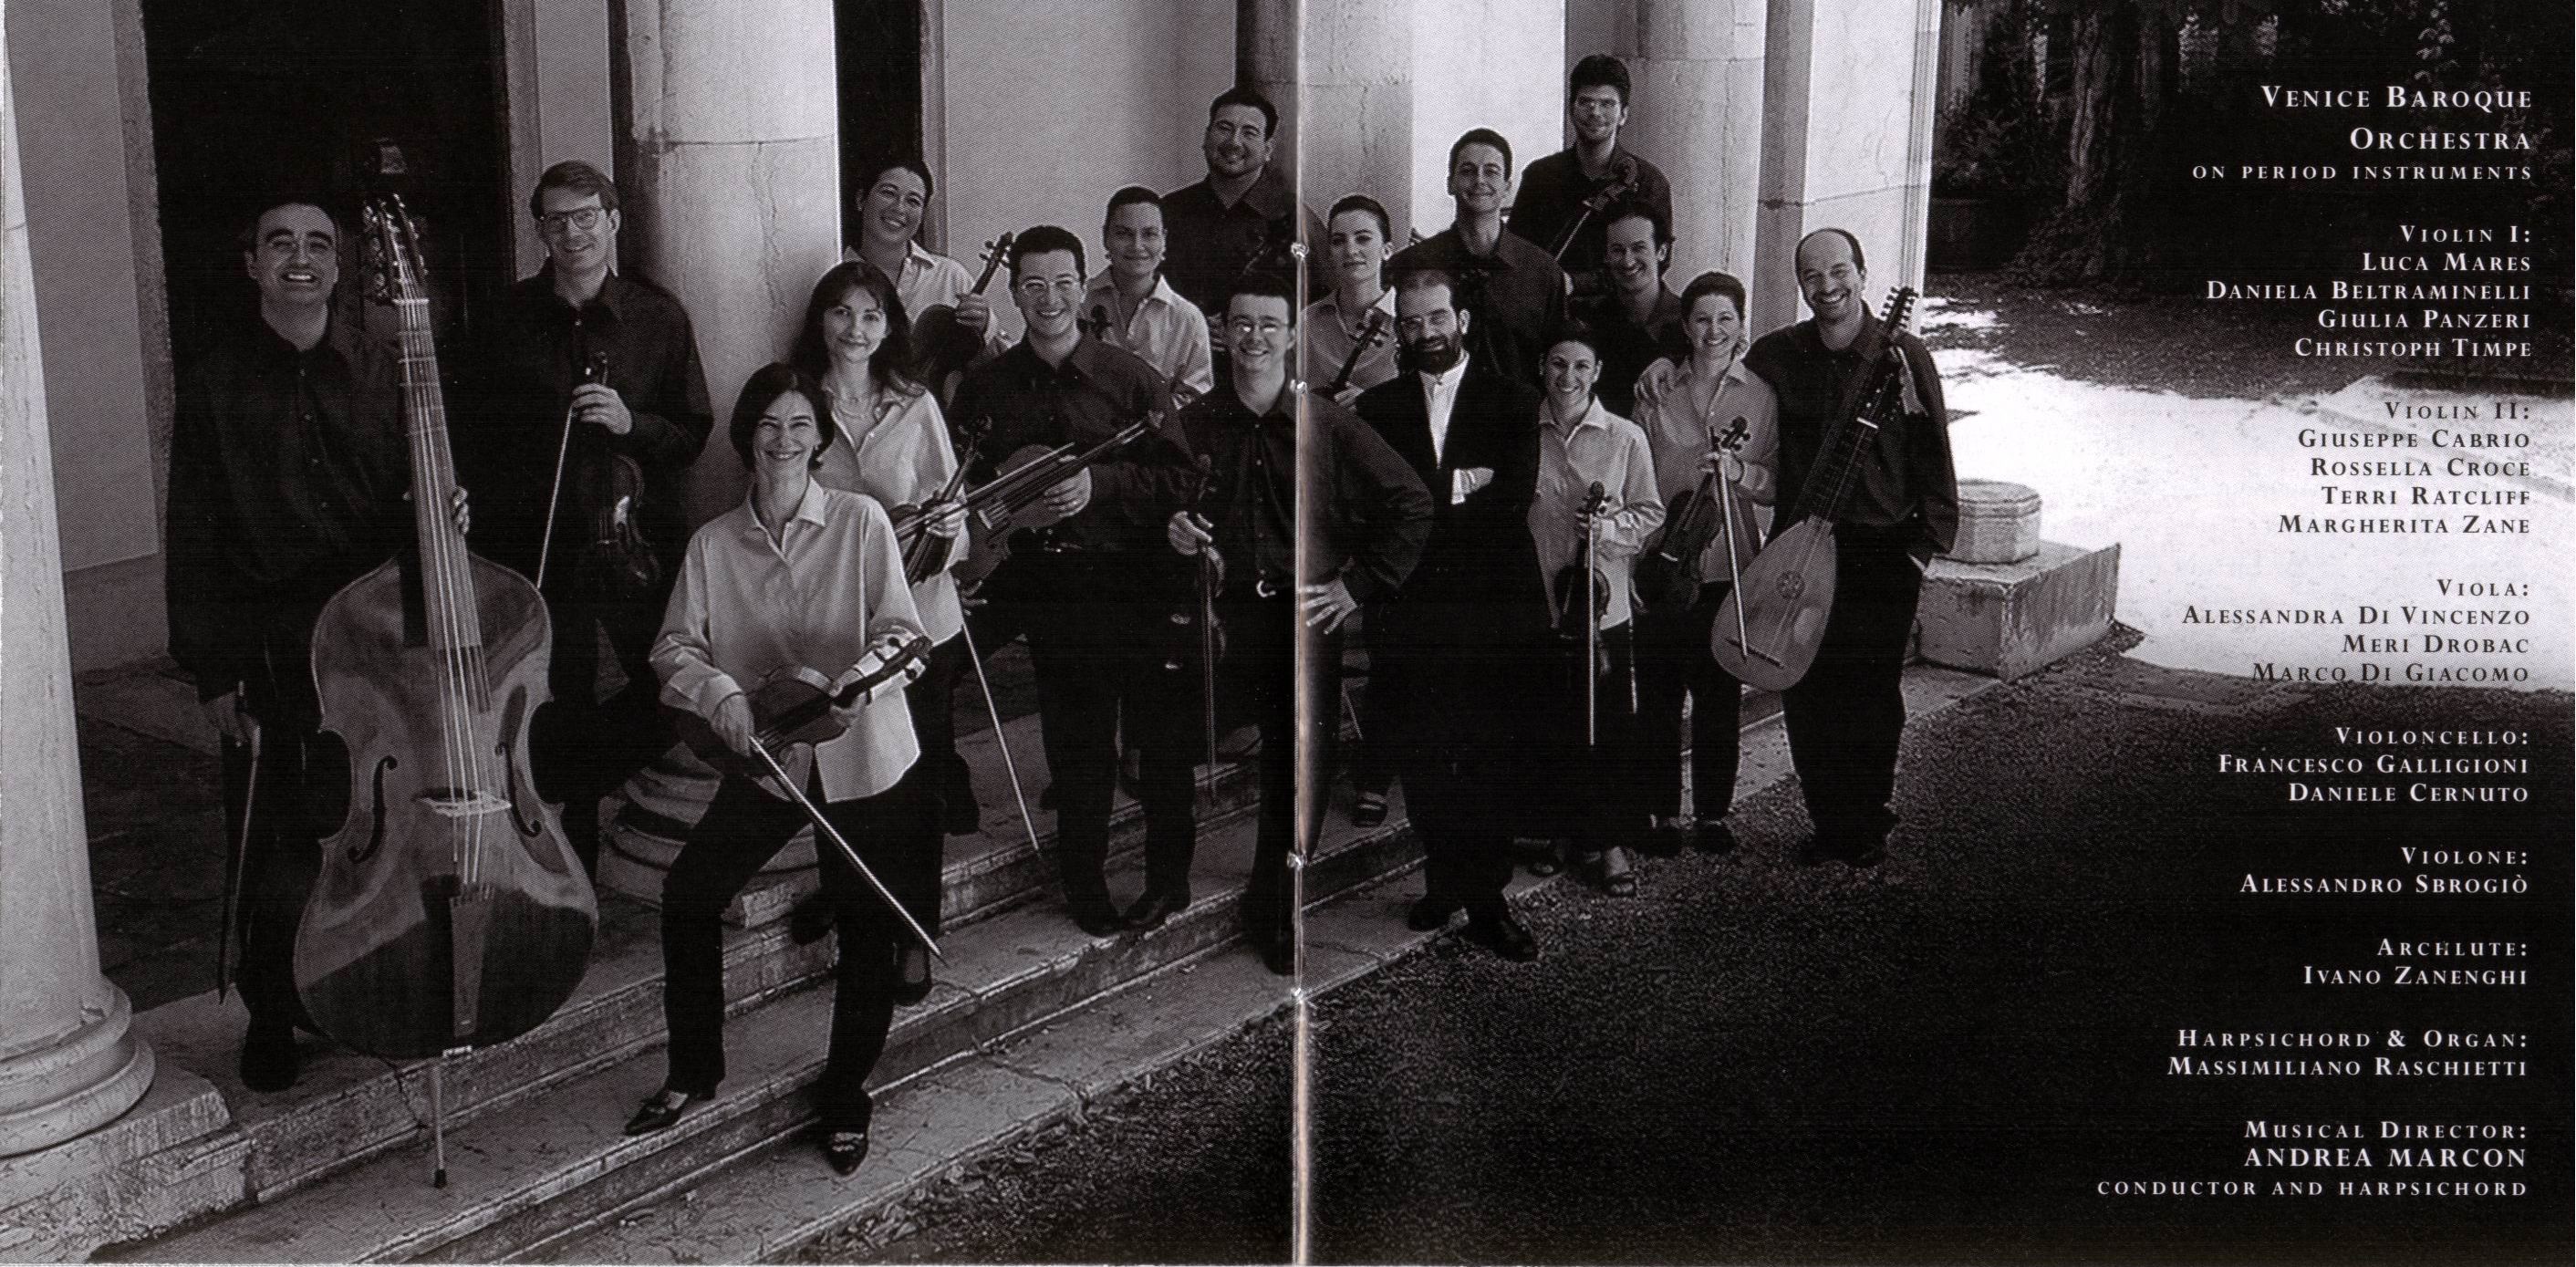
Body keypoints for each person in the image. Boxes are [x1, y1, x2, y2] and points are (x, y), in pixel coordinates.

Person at [165, 194, 468, 1092]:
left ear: (339, 267)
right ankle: (272, 1010)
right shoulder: (215, 381)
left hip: (374, 637)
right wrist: (213, 671)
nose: (300, 257)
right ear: (251, 263)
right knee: (274, 836)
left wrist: (443, 508)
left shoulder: (384, 367)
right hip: (269, 643)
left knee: (375, 824)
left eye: (317, 245)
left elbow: (412, 497)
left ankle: (372, 975)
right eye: (280, 243)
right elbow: (193, 530)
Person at [628, 363, 930, 1179]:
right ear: (747, 438)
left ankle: (846, 1093)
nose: (784, 439)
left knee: (865, 925)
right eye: (768, 424)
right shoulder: (712, 543)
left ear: (820, 438)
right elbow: (673, 647)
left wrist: (855, 681)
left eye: (800, 424)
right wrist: (718, 689)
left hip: (865, 754)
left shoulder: (861, 521)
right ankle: (694, 1069)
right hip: (770, 757)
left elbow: (906, 635)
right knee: (690, 893)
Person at [1165, 271, 1430, 972]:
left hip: (1301, 614)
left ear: (1290, 336)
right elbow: (1157, 502)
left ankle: (1276, 903)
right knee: (1167, 740)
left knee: (1296, 767)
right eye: (1241, 324)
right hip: (1219, 617)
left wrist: (1356, 586)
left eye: (1268, 325)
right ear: (1223, 333)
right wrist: (1174, 526)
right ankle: (1167, 879)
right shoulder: (1192, 423)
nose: (1254, 338)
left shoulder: (1329, 423)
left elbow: (1411, 501)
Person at [462, 160, 713, 876]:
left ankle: (577, 779)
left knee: (671, 688)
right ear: (540, 231)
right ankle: (571, 857)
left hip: (633, 547)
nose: (573, 233)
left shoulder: (659, 318)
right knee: (555, 699)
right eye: (556, 220)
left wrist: (633, 424)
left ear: (613, 220)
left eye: (585, 217)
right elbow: (473, 431)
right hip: (538, 543)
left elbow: (692, 432)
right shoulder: (506, 318)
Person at [946, 226, 1194, 935]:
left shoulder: (1131, 379)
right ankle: (1085, 884)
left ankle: (1169, 880)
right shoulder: (988, 388)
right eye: (1033, 284)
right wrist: (971, 555)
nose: (1048, 298)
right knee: (1076, 740)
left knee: (1156, 739)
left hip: (1129, 575)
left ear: (1083, 286)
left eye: (1062, 283)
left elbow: (1180, 478)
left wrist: (1101, 484)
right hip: (1041, 577)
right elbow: (960, 489)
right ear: (1014, 292)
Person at [780, 261, 973, 1004]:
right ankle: (850, 900)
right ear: (820, 320)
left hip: (919, 623)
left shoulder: (916, 406)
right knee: (838, 776)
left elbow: (957, 519)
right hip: (832, 627)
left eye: (870, 314)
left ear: (889, 325)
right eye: (840, 312)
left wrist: (937, 535)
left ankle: (916, 932)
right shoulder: (796, 404)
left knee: (916, 785)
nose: (854, 329)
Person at [1742, 229, 1956, 867]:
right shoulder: (1779, 355)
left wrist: (1922, 548)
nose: (1827, 286)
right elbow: (1720, 375)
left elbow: (1934, 454)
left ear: (1862, 274)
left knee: (1869, 691)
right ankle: (1828, 820)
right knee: (1804, 684)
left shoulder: (1905, 356)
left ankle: (1866, 817)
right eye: (1812, 275)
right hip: (1805, 544)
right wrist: (1665, 372)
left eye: (1839, 270)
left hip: (1882, 549)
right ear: (1800, 285)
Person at [1352, 266, 1547, 961]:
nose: (1425, 332)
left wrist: (1425, 500)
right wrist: (1459, 485)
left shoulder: (1515, 400)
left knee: (1489, 755)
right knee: (1426, 755)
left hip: (1493, 607)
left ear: (1461, 320)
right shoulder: (1377, 408)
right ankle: (1442, 881)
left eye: (1437, 318)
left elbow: (1510, 499)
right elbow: (1374, 507)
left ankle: (1488, 900)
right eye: (1411, 322)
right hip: (1412, 609)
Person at [1631, 271, 1776, 858]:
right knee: (1660, 697)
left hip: (1726, 568)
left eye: (1725, 319)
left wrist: (1740, 473)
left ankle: (1713, 813)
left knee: (1718, 699)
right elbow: (1635, 474)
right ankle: (1663, 812)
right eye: (1701, 319)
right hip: (1662, 563)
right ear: (1686, 326)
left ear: (1740, 325)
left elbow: (1776, 483)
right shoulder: (1656, 390)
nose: (1713, 330)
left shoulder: (1760, 397)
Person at [1528, 322, 1664, 894]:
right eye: (1559, 364)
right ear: (1543, 367)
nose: (1569, 377)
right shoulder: (1523, 431)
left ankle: (1610, 843)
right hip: (1540, 603)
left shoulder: (1626, 436)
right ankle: (1561, 831)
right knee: (1550, 724)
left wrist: (1607, 529)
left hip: (1602, 610)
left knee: (1608, 727)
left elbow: (1650, 513)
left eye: (1581, 366)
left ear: (1598, 372)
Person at [1388, 130, 1568, 389]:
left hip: (1519, 412)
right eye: (1467, 171)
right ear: (1450, 183)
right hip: (1431, 410)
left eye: (1491, 171)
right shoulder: (1409, 264)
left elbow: (1558, 357)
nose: (1479, 180)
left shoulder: (1542, 270)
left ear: (1507, 187)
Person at [1506, 53, 1675, 300]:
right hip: (1552, 309)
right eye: (1586, 102)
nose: (1595, 112)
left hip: (1621, 310)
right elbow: (1517, 250)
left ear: (1623, 115)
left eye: (1607, 104)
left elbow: (1657, 262)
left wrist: (1578, 283)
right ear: (1571, 109)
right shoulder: (1540, 176)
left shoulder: (1649, 182)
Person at [1160, 87, 1328, 323]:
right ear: (1206, 138)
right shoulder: (1169, 212)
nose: (1234, 142)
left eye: (1249, 133)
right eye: (1224, 128)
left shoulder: (1295, 221)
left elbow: (1323, 308)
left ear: (1267, 150)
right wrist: (1193, 326)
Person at [842, 158, 1004, 400]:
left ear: (921, 215)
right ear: (861, 200)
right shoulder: (835, 276)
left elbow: (998, 365)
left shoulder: (949, 275)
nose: (899, 208)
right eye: (888, 193)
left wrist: (984, 328)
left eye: (913, 201)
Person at [1084, 186, 1214, 399]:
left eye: (1149, 234)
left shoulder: (1187, 318)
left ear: (1164, 239)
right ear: (1105, 237)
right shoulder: (1080, 301)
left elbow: (1194, 396)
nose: (1137, 246)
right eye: (1123, 234)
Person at [1572, 198, 1687, 421]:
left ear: (1662, 251)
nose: (1628, 261)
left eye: (1638, 248)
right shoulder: (1587, 321)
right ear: (1605, 256)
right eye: (1617, 250)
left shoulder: (1690, 323)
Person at [1301, 193, 1400, 404]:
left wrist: (1374, 403)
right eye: (1338, 241)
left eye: (1363, 239)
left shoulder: (1408, 318)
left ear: (1386, 251)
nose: (1350, 250)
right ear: (1330, 253)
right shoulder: (1307, 320)